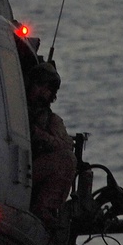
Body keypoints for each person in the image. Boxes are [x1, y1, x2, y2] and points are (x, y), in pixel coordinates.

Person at [26, 62, 76, 228]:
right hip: (15, 168)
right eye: (39, 85)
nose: (42, 92)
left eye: (47, 89)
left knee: (66, 160)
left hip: (31, 173)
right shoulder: (18, 110)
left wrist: (40, 136)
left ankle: (44, 209)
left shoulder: (52, 121)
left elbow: (65, 147)